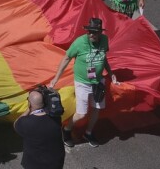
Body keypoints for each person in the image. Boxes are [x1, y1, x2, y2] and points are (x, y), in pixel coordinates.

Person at [49, 18, 118, 147]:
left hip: (98, 82)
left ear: (100, 32)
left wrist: (110, 73)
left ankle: (88, 132)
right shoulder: (79, 43)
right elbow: (66, 58)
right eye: (90, 31)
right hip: (83, 83)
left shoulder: (104, 40)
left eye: (95, 32)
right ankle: (67, 129)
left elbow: (104, 58)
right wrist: (56, 78)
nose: (92, 34)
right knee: (81, 113)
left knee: (96, 109)